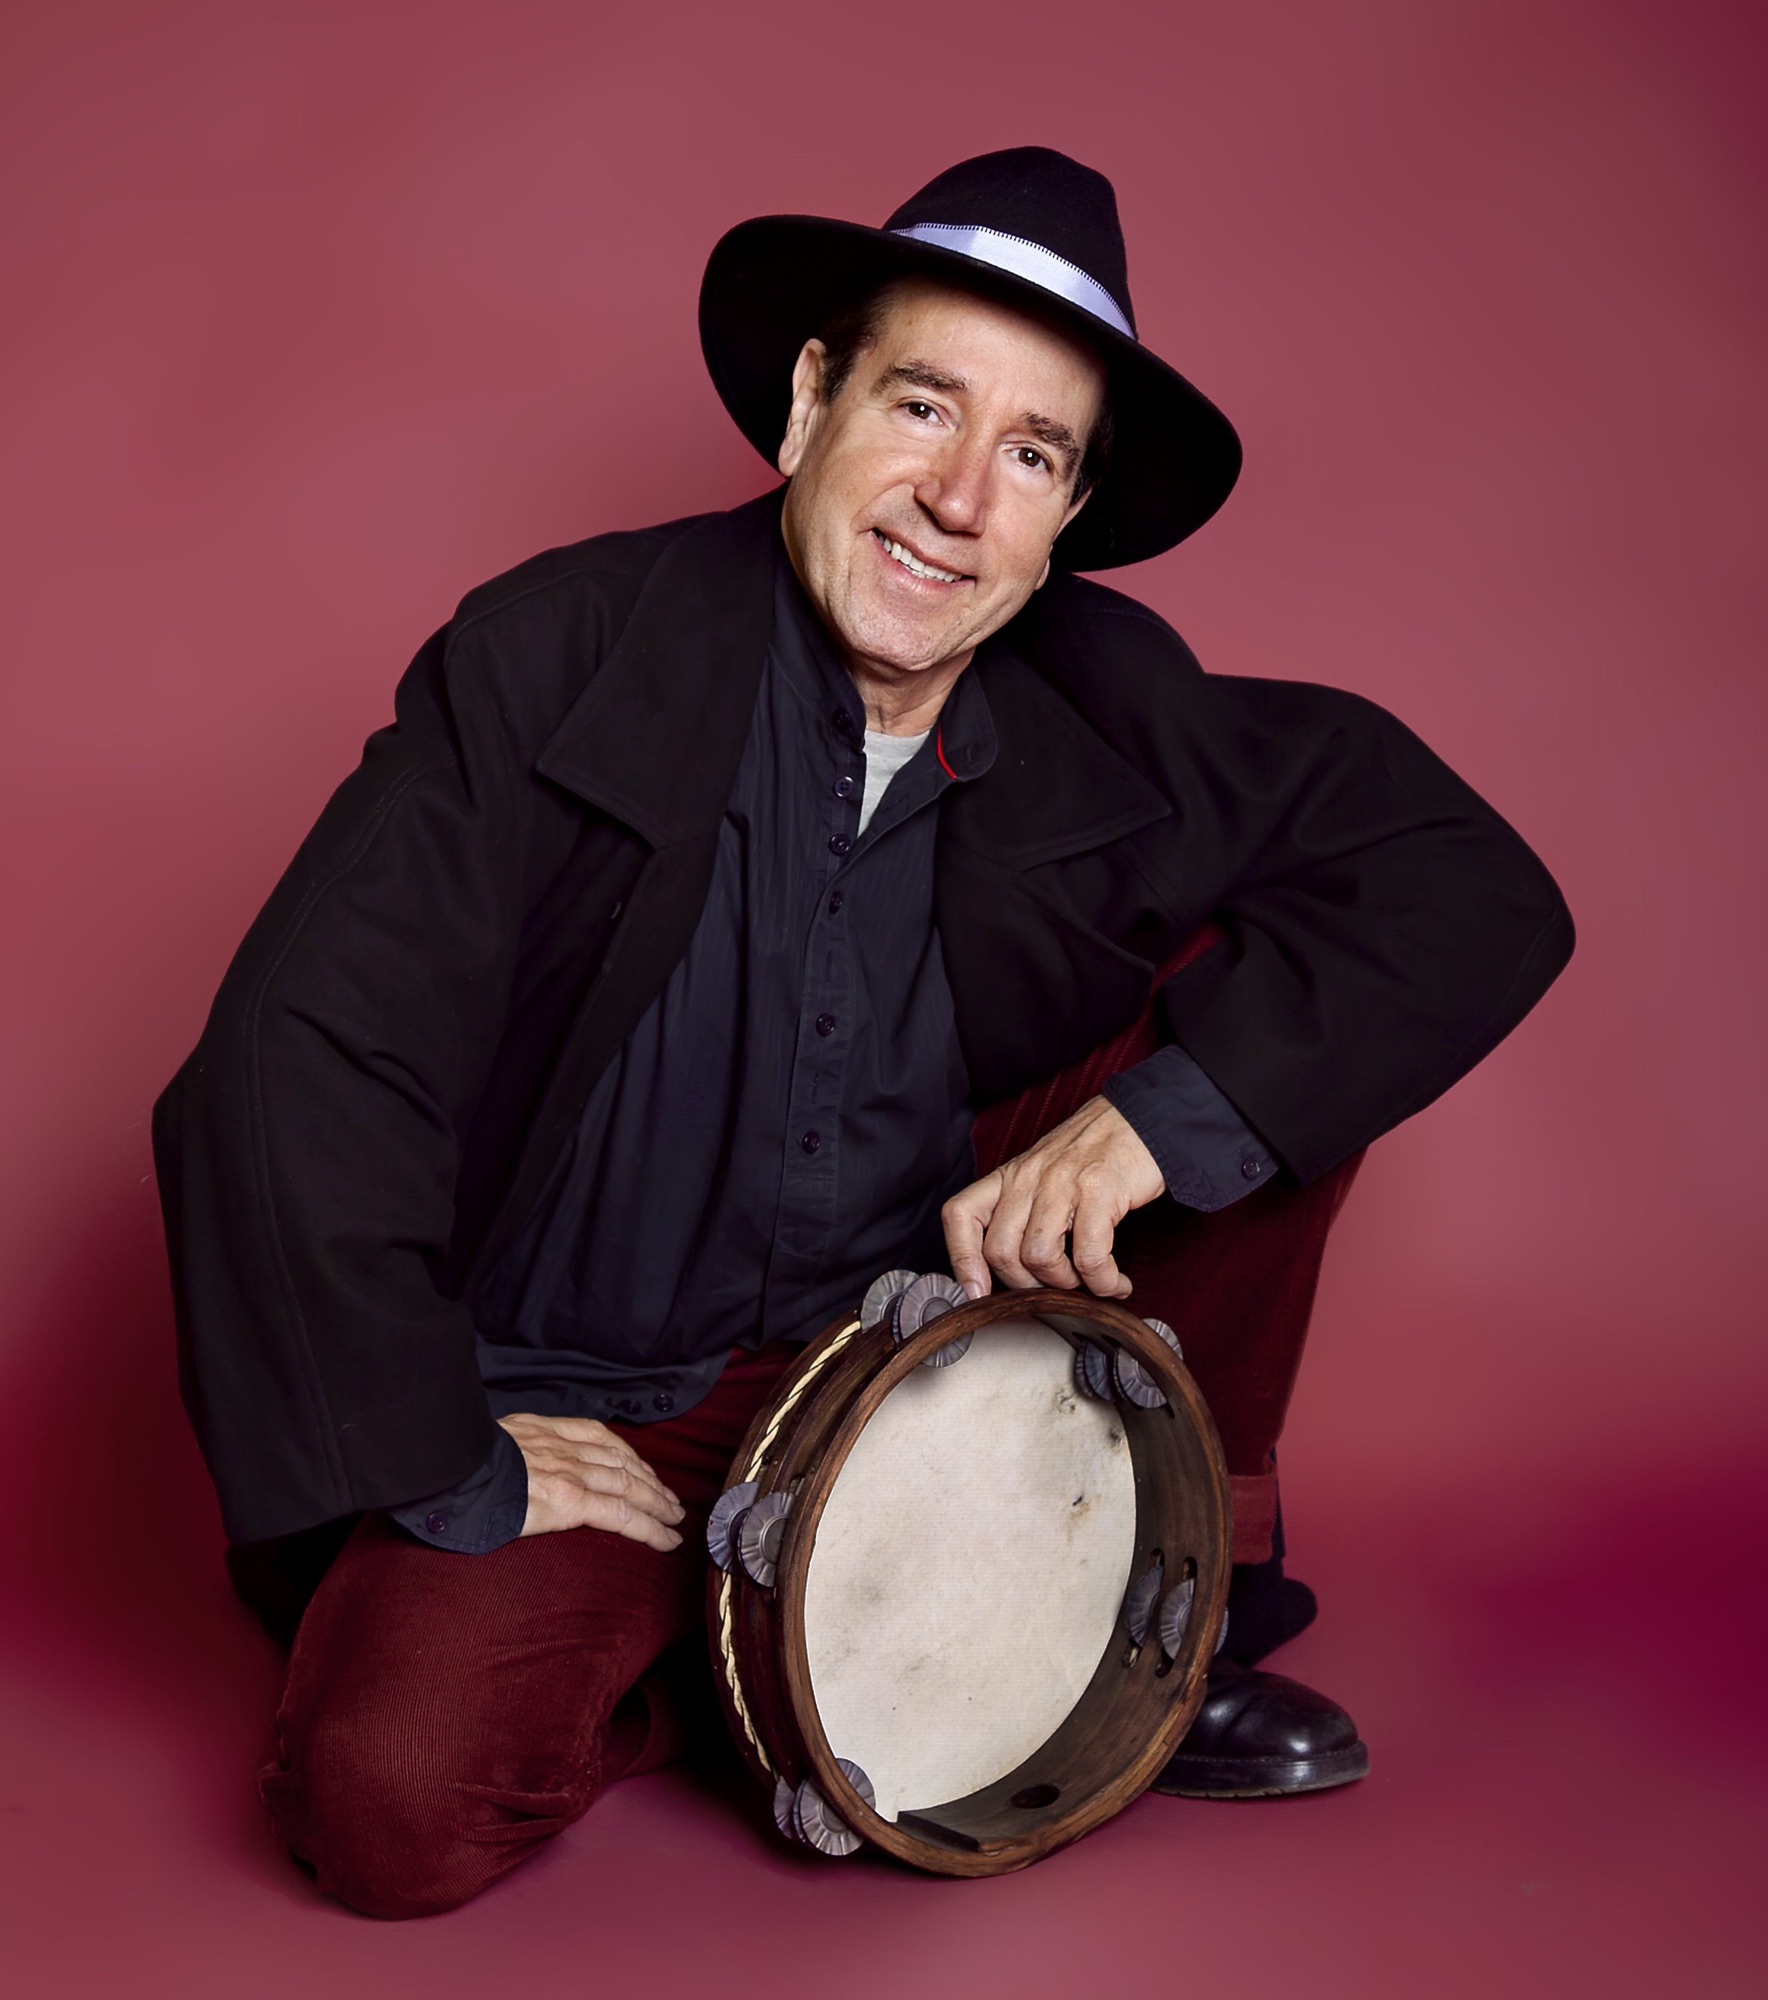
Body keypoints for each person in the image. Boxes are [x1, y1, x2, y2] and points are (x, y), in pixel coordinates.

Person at [154, 148, 1572, 1917]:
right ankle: (766, 1661)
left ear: (1065, 518)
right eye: (922, 405)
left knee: (1282, 1025)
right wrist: (439, 1442)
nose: (959, 500)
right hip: (594, 1399)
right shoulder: (559, 652)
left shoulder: (1110, 698)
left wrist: (1155, 1123)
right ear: (810, 401)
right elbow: (292, 1065)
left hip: (919, 1339)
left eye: (1032, 454)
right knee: (395, 1798)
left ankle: (1160, 1613)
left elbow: (1466, 888)